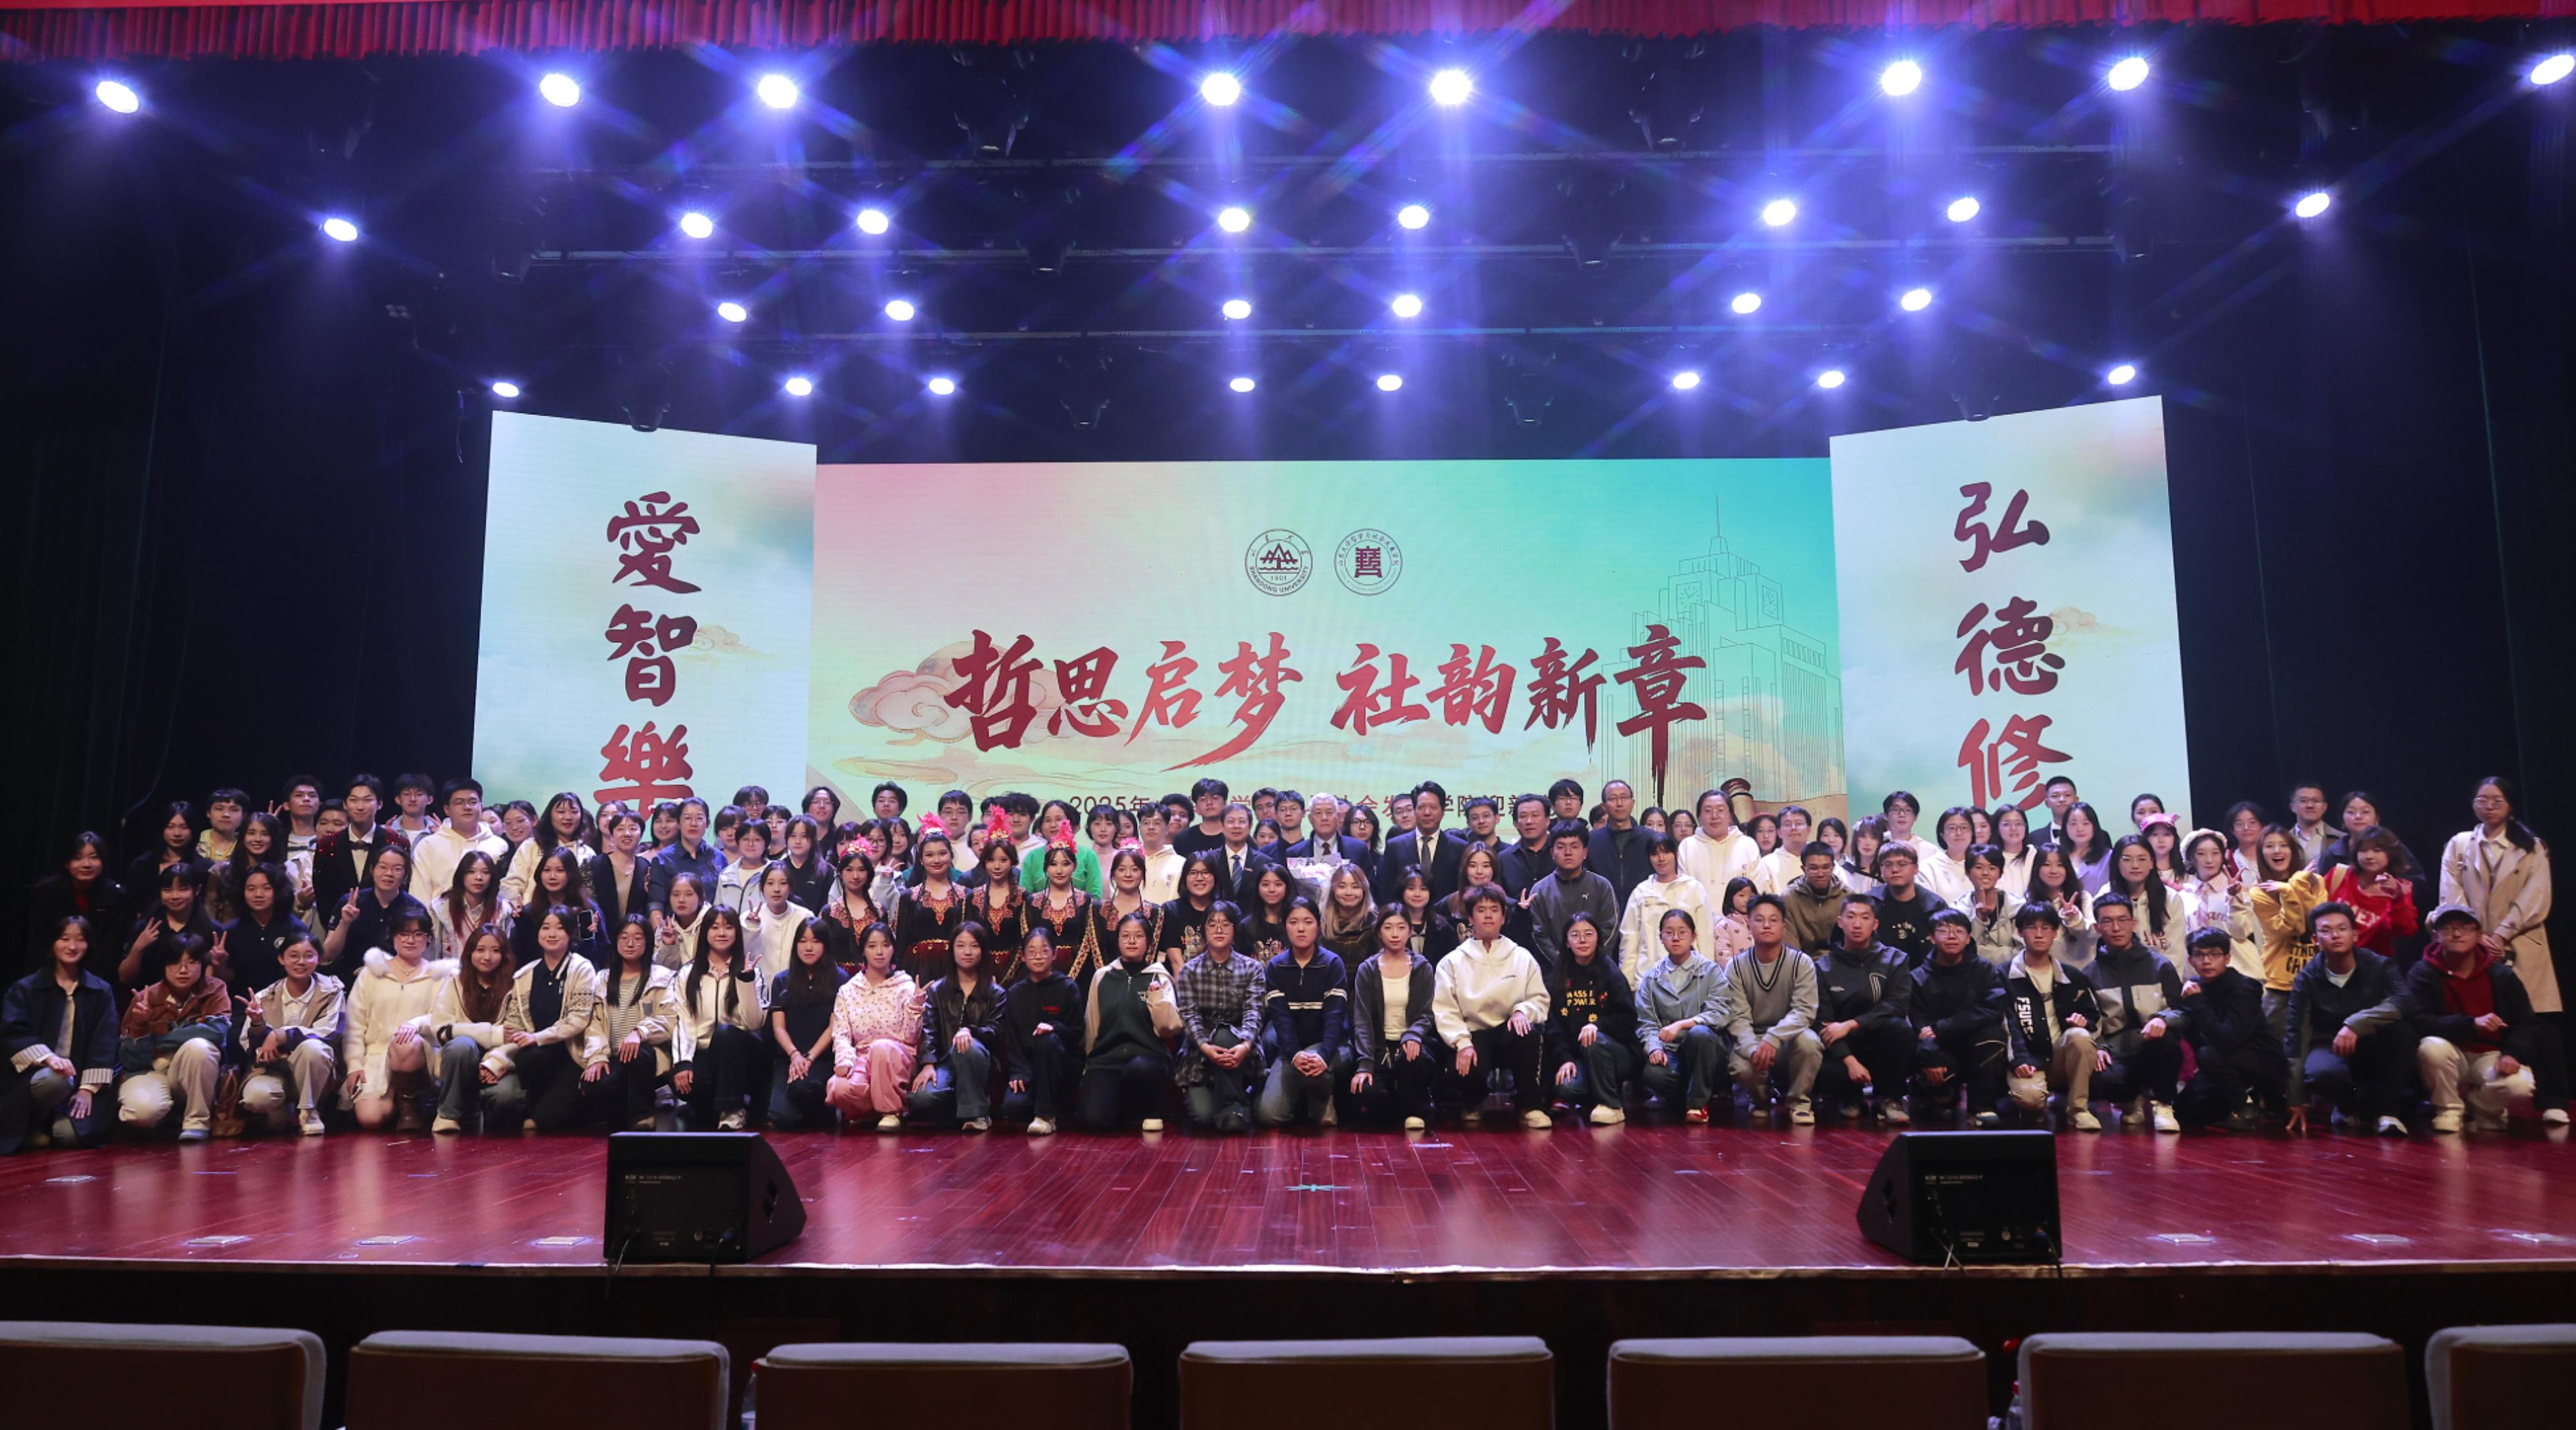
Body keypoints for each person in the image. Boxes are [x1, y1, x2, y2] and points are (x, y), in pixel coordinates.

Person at [2437, 776, 2562, 1122]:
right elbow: (2450, 892)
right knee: (2480, 1018)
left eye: (2497, 800)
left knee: (2538, 1019)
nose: (2489, 806)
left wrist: (2502, 934)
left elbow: (2537, 895)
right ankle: (2483, 1101)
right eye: (2482, 800)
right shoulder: (2460, 844)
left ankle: (2553, 1100)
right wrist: (2474, 932)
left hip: (2521, 941)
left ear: (2510, 805)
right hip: (2471, 942)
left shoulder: (2531, 846)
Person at [2406, 904, 2539, 1133]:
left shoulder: (2501, 975)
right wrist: (2471, 1024)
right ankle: (2449, 1109)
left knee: (2520, 1086)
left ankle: (2481, 1108)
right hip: (2449, 1053)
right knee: (2431, 1048)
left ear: (2479, 936)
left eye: (2465, 928)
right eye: (2448, 928)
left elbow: (2525, 1021)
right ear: (2436, 936)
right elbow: (2419, 1021)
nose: (2457, 934)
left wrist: (2513, 1054)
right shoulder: (2423, 973)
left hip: (2490, 1054)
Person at [2285, 903, 2415, 1136]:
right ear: (2315, 939)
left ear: (2355, 934)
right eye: (2326, 930)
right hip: (2330, 1045)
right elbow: (2296, 1034)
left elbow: (2404, 1001)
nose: (2335, 935)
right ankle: (2348, 1106)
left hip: (2374, 1042)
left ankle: (2388, 1113)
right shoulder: (2306, 978)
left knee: (2403, 1033)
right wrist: (2297, 1097)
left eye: (2342, 929)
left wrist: (2356, 1023)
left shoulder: (2379, 965)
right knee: (2319, 1072)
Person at [1432, 884, 1553, 1128]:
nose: (1488, 916)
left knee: (1529, 1035)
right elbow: (1445, 1011)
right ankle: (1473, 1102)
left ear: (1504, 917)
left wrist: (1522, 1011)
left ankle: (1529, 1106)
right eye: (1481, 910)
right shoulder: (1452, 962)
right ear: (1470, 919)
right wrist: (1462, 1043)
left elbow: (1540, 1000)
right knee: (1463, 1067)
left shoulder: (1522, 957)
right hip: (1472, 1035)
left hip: (1509, 1031)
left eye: (1494, 910)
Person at [478, 906, 601, 1133]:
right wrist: (496, 1060)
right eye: (545, 927)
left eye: (559, 928)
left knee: (546, 1120)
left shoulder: (582, 968)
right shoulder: (525, 975)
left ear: (571, 933)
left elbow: (579, 1018)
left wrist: (537, 1037)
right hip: (539, 1057)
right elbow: (514, 1025)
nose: (551, 934)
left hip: (572, 1055)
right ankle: (537, 1103)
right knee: (530, 1057)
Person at [1, 917, 120, 1153]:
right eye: (64, 939)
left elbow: (104, 1041)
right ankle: (34, 1125)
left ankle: (46, 1129)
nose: (72, 946)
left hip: (80, 1081)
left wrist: (87, 1089)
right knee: (55, 1080)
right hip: (38, 1080)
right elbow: (13, 1031)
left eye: (80, 940)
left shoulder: (100, 990)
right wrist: (48, 1058)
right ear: (53, 943)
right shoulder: (26, 988)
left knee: (68, 1136)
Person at [2083, 894, 2186, 1132]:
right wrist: (2099, 1046)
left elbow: (2184, 1012)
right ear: (2097, 927)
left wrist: (2163, 1019)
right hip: (2117, 1050)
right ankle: (2131, 1099)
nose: (2116, 928)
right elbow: (2091, 1020)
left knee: (2168, 1041)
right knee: (2099, 1076)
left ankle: (2164, 1104)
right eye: (2107, 921)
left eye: (2123, 920)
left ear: (2134, 923)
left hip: (2153, 1045)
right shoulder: (2090, 974)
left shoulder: (2160, 965)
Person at [344, 910, 454, 1132]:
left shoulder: (439, 976)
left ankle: (410, 1104)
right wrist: (354, 1064)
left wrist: (416, 1024)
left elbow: (443, 1017)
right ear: (392, 936)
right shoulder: (371, 973)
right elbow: (354, 1024)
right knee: (370, 1119)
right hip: (377, 1057)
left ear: (428, 938)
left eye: (418, 934)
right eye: (403, 934)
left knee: (404, 1042)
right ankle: (396, 1098)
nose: (410, 940)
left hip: (419, 1054)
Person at [116, 933, 231, 1141]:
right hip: (151, 1070)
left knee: (199, 1047)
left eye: (192, 962)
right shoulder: (146, 998)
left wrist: (159, 1040)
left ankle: (196, 1122)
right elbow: (132, 1061)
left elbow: (216, 1032)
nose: (183, 970)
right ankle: (166, 1117)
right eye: (175, 963)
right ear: (164, 966)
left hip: (192, 1072)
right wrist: (140, 1025)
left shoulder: (214, 989)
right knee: (141, 1112)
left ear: (203, 964)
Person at [2002, 903, 2106, 1132]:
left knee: (2079, 1036)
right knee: (2030, 1099)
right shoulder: (2004, 975)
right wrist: (2019, 1059)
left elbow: (2094, 1016)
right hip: (2028, 1060)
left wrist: (2085, 1022)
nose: (2039, 934)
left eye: (2046, 928)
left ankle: (2078, 1109)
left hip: (2061, 1056)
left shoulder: (2072, 975)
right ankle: (2035, 1105)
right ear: (2020, 932)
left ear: (2055, 932)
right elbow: (2006, 1024)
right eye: (2032, 927)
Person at [2173, 928, 2288, 1130]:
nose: (2207, 961)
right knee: (2183, 1111)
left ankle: (2244, 1106)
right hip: (2221, 1062)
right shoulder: (2194, 986)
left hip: (2260, 1058)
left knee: (2207, 1054)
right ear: (2190, 961)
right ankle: (2244, 1098)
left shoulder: (2244, 989)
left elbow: (2227, 1040)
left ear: (2227, 958)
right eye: (2200, 955)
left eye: (2214, 954)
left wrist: (2198, 1002)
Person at [1723, 895, 1822, 1125]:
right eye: (1759, 920)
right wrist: (1753, 1049)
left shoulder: (1801, 963)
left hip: (1788, 1037)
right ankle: (1760, 1100)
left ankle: (1800, 1103)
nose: (1766, 925)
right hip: (1753, 1038)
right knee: (1741, 1067)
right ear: (1749, 925)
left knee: (1810, 1043)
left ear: (1783, 926)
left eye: (1773, 920)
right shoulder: (1735, 966)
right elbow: (1738, 1017)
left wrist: (1774, 1038)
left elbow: (1805, 1011)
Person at [1081, 911, 1183, 1131]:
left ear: (1149, 942)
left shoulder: (1159, 976)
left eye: (1139, 936)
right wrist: (1090, 1064)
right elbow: (1092, 1025)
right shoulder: (1102, 976)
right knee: (1094, 1120)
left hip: (1149, 1059)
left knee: (1139, 1069)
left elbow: (1169, 1028)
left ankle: (1149, 1110)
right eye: (1125, 936)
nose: (1132, 941)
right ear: (1118, 940)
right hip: (1107, 1060)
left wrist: (1157, 998)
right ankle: (1122, 1109)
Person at [1255, 897, 1349, 1128]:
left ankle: (1323, 1100)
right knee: (1268, 1116)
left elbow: (1334, 1019)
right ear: (1285, 926)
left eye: (1308, 922)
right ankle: (1298, 1100)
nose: (1301, 928)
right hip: (1293, 1050)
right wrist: (1295, 1054)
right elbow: (1281, 1020)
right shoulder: (1276, 967)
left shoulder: (1332, 963)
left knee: (1317, 1068)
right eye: (1293, 922)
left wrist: (1323, 1055)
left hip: (1332, 1047)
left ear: (1318, 925)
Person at [237, 932, 342, 1137]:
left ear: (318, 959)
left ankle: (310, 1111)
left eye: (309, 956)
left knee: (313, 1048)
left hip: (314, 1072)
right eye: (293, 956)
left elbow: (329, 1032)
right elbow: (248, 1046)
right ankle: (280, 1114)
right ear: (281, 959)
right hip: (274, 1069)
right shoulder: (264, 997)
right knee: (257, 1097)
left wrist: (282, 1035)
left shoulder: (332, 991)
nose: (301, 962)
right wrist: (258, 1024)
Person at [673, 908, 768, 1130]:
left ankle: (734, 1109)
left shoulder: (752, 971)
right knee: (687, 1085)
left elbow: (754, 1023)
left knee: (725, 1034)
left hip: (742, 1053)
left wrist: (746, 981)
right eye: (714, 927)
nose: (722, 933)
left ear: (737, 932)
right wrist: (683, 1062)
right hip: (704, 1052)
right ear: (705, 932)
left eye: (728, 927)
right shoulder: (687, 974)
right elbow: (683, 1021)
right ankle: (713, 1106)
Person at [1631, 907, 1730, 1123]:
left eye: (1682, 932)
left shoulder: (1710, 970)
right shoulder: (1652, 977)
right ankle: (1687, 1096)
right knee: (1652, 1074)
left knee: (1699, 1034)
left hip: (1708, 1050)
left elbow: (1721, 1012)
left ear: (1693, 936)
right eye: (1669, 932)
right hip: (1672, 1051)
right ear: (1661, 937)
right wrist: (1655, 1047)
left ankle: (1697, 1104)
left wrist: (1684, 1024)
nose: (1675, 938)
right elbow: (1646, 1021)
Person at [1909, 910, 2006, 1126]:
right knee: (1925, 1061)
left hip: (1975, 1043)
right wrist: (1932, 1053)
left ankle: (1981, 1108)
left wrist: (1944, 1027)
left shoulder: (1984, 969)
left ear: (1969, 938)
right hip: (1939, 1047)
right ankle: (1943, 1095)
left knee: (1994, 1036)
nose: (1952, 936)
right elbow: (1919, 1024)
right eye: (1944, 931)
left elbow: (1993, 1009)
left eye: (1959, 931)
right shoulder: (1917, 977)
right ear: (1932, 938)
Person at [824, 918, 922, 1132]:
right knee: (838, 1088)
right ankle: (871, 1109)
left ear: (893, 949)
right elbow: (841, 1034)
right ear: (863, 951)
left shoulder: (905, 986)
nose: (879, 952)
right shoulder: (849, 990)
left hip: (897, 1056)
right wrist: (845, 1060)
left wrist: (916, 1007)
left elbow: (911, 1037)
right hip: (862, 1058)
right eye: (872, 946)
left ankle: (891, 1112)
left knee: (881, 1048)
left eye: (886, 945)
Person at [1176, 902, 1265, 1133]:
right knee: (1203, 1117)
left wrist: (1245, 1045)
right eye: (1212, 924)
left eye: (1226, 924)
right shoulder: (1189, 971)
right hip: (1201, 1051)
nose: (1219, 930)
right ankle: (1238, 1106)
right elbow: (1189, 1015)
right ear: (1204, 930)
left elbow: (1254, 1011)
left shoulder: (1252, 968)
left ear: (1235, 929)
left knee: (1225, 1034)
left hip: (1240, 1049)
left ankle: (1234, 1107)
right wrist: (1206, 1047)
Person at [584, 915, 679, 1132]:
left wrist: (640, 1032)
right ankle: (621, 1113)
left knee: (638, 1055)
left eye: (638, 938)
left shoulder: (663, 977)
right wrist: (597, 1056)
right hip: (613, 1056)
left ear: (648, 942)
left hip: (648, 1057)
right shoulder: (602, 979)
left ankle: (643, 1115)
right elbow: (594, 1024)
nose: (630, 943)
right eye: (624, 937)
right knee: (593, 1085)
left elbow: (670, 1019)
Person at [1349, 904, 1439, 1130]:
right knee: (1368, 1094)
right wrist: (1365, 1064)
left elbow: (1427, 1012)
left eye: (1401, 927)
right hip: (1380, 1048)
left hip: (1413, 1045)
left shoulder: (1422, 967)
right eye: (1388, 927)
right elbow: (1362, 1020)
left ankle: (1416, 1106)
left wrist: (1413, 1034)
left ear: (1410, 931)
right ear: (1379, 932)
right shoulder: (1368, 969)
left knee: (1413, 1061)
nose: (1395, 934)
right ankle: (1404, 1106)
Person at [908, 920, 1003, 1131]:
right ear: (952, 950)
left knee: (967, 1047)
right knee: (921, 1098)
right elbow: (929, 1030)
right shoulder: (938, 990)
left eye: (974, 946)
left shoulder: (995, 993)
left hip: (980, 1062)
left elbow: (995, 1032)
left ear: (983, 951)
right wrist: (928, 1063)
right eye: (961, 946)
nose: (967, 952)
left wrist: (970, 1032)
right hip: (945, 1061)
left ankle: (977, 1116)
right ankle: (963, 1108)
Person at [1545, 911, 1638, 1124]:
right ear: (1567, 942)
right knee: (1566, 1087)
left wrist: (1598, 1026)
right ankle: (1591, 1096)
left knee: (1593, 1040)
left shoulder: (1610, 972)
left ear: (1598, 938)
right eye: (1575, 935)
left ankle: (1611, 1105)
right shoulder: (1558, 976)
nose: (1582, 940)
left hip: (1616, 1053)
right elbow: (1552, 1026)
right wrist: (1565, 1059)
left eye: (1589, 934)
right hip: (1578, 1056)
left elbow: (1628, 1018)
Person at [1000, 926, 1084, 1133]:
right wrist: (1018, 1071)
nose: (1038, 956)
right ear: (1023, 957)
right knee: (1013, 1108)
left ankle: (1045, 1116)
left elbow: (1077, 1033)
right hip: (1029, 1070)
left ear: (1054, 954)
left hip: (1062, 1067)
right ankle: (1052, 1107)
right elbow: (1011, 1039)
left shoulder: (1068, 987)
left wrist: (1054, 1028)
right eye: (1032, 951)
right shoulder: (1015, 993)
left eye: (1044, 950)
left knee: (1047, 1040)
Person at [23, 833, 122, 982]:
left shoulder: (115, 895)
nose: (87, 864)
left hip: (98, 976)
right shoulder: (46, 893)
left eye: (94, 857)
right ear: (67, 863)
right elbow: (37, 944)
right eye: (78, 858)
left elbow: (111, 947)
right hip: (51, 973)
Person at [1527, 820, 1622, 973]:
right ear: (1552, 853)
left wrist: (1589, 958)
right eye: (1561, 847)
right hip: (1555, 973)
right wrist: (1563, 962)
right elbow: (1539, 934)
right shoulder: (1540, 890)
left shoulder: (1602, 886)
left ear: (1585, 853)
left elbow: (1610, 928)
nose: (1568, 852)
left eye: (1574, 846)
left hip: (1597, 971)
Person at [1616, 835, 1715, 981]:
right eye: (1655, 854)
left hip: (1690, 976)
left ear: (1676, 855)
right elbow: (1630, 938)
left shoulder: (1694, 888)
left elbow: (1705, 935)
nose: (1661, 859)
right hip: (1648, 976)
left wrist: (1708, 977)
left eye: (1666, 852)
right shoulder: (1641, 892)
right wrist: (1627, 982)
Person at [2176, 828, 2267, 983]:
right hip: (2196, 978)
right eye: (2201, 854)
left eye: (2215, 853)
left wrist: (2234, 900)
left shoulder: (2239, 891)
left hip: (2238, 975)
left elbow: (2241, 932)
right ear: (2191, 858)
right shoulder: (2183, 897)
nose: (2209, 860)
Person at [408, 778, 507, 907]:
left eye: (473, 802)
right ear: (447, 810)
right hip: (438, 919)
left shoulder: (499, 846)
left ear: (481, 807)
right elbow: (419, 893)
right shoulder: (429, 845)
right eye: (459, 802)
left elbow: (505, 893)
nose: (467, 807)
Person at [889, 831, 967, 986]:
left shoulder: (965, 896)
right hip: (917, 969)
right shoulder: (909, 897)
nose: (936, 860)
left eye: (942, 854)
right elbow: (901, 943)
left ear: (951, 856)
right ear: (921, 860)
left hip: (956, 967)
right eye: (929, 855)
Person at [120, 864, 213, 988]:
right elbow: (124, 978)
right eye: (167, 890)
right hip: (149, 995)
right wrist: (137, 949)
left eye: (183, 889)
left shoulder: (211, 929)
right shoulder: (145, 927)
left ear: (197, 890)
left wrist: (218, 963)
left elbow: (214, 982)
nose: (175, 896)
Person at [509, 849, 602, 970]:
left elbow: (601, 954)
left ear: (571, 874)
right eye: (547, 870)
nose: (552, 876)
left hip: (578, 975)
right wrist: (522, 924)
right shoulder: (529, 912)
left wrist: (590, 939)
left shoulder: (587, 909)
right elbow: (521, 956)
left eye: (560, 870)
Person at [500, 793, 594, 912]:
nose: (568, 817)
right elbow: (512, 884)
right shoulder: (532, 846)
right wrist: (517, 909)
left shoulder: (587, 853)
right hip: (534, 915)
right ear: (550, 815)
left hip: (573, 918)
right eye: (561, 812)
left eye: (574, 812)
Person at [1378, 785, 1464, 903]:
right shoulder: (1395, 846)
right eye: (1421, 807)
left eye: (1433, 807)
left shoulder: (1459, 848)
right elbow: (1387, 893)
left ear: (1443, 812)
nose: (1427, 813)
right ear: (1414, 810)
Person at [1867, 844, 1946, 968]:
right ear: (1881, 870)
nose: (1895, 870)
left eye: (1902, 864)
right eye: (1888, 864)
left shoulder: (1934, 906)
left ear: (1916, 869)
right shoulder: (1870, 903)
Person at [647, 797, 723, 917]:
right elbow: (656, 903)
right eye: (687, 818)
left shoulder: (719, 857)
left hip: (712, 926)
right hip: (674, 926)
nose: (693, 824)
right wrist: (659, 927)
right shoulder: (663, 859)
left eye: (699, 818)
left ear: (707, 823)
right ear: (678, 823)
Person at [1677, 788, 1758, 897]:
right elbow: (1683, 891)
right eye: (1708, 811)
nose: (1714, 816)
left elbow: (1757, 888)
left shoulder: (1748, 845)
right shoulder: (1688, 846)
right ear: (1699, 816)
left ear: (1730, 815)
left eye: (1720, 810)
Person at [1585, 781, 1656, 899]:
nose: (1619, 803)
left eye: (1624, 798)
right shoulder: (1592, 841)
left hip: (1643, 906)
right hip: (1604, 907)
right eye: (1613, 799)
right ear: (1604, 806)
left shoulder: (1651, 839)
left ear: (1633, 803)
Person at [588, 810, 655, 932]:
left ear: (641, 834)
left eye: (633, 829)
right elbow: (584, 902)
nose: (627, 834)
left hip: (635, 937)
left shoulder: (646, 867)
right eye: (620, 829)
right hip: (600, 935)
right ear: (612, 835)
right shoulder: (594, 865)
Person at [429, 850, 501, 963]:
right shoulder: (440, 908)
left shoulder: (503, 910)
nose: (479, 877)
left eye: (486, 872)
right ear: (462, 875)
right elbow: (431, 951)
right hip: (449, 972)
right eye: (471, 872)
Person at [1749, 806, 1824, 898]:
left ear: (1809, 830)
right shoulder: (1767, 864)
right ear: (1779, 832)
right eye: (1787, 824)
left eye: (1799, 823)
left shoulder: (1823, 856)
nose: (1793, 828)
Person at [1916, 807, 1979, 905]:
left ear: (1972, 833)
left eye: (1964, 828)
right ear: (1942, 834)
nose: (1959, 833)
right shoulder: (1929, 867)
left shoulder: (1982, 865)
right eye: (1952, 828)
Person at [1173, 778, 1230, 858]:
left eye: (1215, 798)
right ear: (1197, 808)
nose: (1209, 803)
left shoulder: (1235, 834)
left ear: (1225, 805)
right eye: (1203, 799)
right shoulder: (1184, 838)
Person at [2287, 784, 2339, 868]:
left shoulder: (2341, 839)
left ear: (2325, 807)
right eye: (2303, 801)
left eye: (2316, 801)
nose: (2310, 805)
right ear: (2292, 807)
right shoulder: (2284, 839)